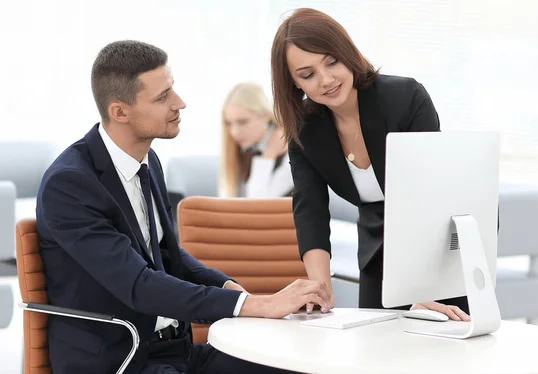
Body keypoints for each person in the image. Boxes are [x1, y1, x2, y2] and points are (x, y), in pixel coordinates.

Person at [35, 40, 327, 374]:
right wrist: (254, 305)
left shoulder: (148, 161)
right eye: (162, 97)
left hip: (176, 351)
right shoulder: (70, 185)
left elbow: (165, 254)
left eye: (171, 89)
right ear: (120, 112)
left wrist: (227, 287)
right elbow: (138, 284)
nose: (180, 103)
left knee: (294, 366)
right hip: (122, 360)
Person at [270, 8, 471, 320]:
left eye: (331, 61)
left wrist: (423, 286)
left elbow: (430, 195)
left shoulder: (405, 98)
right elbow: (310, 209)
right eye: (307, 74)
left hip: (436, 247)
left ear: (346, 53)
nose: (326, 80)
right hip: (378, 251)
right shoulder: (304, 131)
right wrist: (320, 287)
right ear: (294, 83)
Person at [219, 83, 294, 198]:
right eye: (229, 123)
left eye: (242, 122)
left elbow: (257, 202)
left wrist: (269, 155)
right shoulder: (244, 149)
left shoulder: (291, 149)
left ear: (264, 115)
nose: (234, 132)